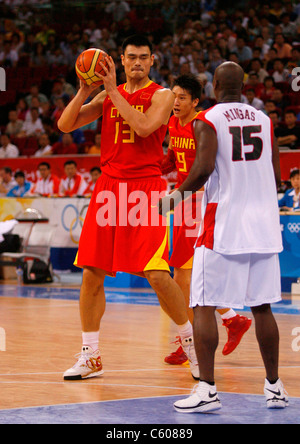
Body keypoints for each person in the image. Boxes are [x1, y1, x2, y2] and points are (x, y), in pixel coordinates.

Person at [58, 34, 198, 381]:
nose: (137, 62)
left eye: (144, 57)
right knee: (91, 272)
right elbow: (65, 125)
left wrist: (113, 92)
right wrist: (84, 92)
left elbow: (145, 126)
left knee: (156, 274)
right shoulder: (107, 94)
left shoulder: (163, 95)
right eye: (131, 57)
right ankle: (91, 355)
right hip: (108, 188)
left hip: (144, 190)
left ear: (153, 61)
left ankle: (192, 345)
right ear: (120, 60)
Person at [159, 61, 288, 412]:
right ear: (243, 85)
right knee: (262, 307)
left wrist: (173, 198)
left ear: (214, 85)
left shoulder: (208, 119)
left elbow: (201, 169)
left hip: (223, 224)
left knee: (201, 304)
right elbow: (277, 176)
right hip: (263, 226)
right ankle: (274, 387)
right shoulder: (264, 120)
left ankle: (207, 391)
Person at [161, 74, 251, 365]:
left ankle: (190, 340)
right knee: (192, 274)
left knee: (184, 275)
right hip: (186, 200)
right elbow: (175, 159)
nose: (175, 102)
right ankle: (228, 320)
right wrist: (154, 166)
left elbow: (209, 165)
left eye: (182, 98)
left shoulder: (204, 123)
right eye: (174, 96)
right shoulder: (173, 123)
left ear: (196, 102)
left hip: (203, 200)